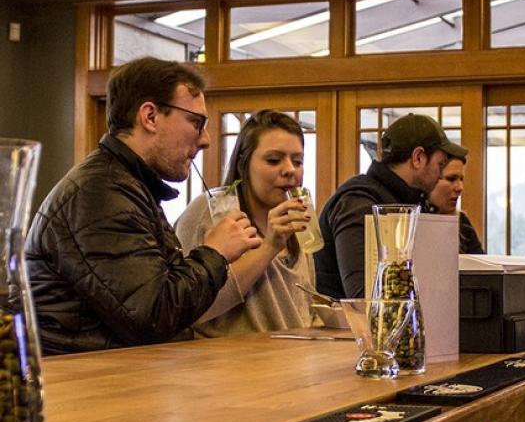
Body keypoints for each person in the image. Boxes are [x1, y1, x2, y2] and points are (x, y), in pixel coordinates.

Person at [25, 57, 260, 355]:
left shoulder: (127, 185)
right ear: (150, 116)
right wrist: (214, 253)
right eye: (196, 122)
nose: (206, 140)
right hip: (86, 388)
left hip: (110, 381)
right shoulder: (100, 192)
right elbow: (153, 317)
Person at [175, 110, 313, 337]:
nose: (290, 170)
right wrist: (269, 246)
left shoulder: (297, 220)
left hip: (290, 362)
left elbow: (302, 307)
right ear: (243, 163)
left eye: (297, 161)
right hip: (226, 365)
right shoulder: (212, 211)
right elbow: (189, 308)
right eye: (274, 160)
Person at [315, 113, 467, 298]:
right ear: (418, 157)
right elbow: (363, 296)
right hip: (350, 327)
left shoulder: (407, 201)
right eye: (440, 164)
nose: (440, 173)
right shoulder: (358, 202)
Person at [427, 156, 484, 255]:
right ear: (428, 180)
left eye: (461, 179)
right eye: (451, 179)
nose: (460, 188)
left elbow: (481, 267)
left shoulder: (462, 223)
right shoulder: (411, 221)